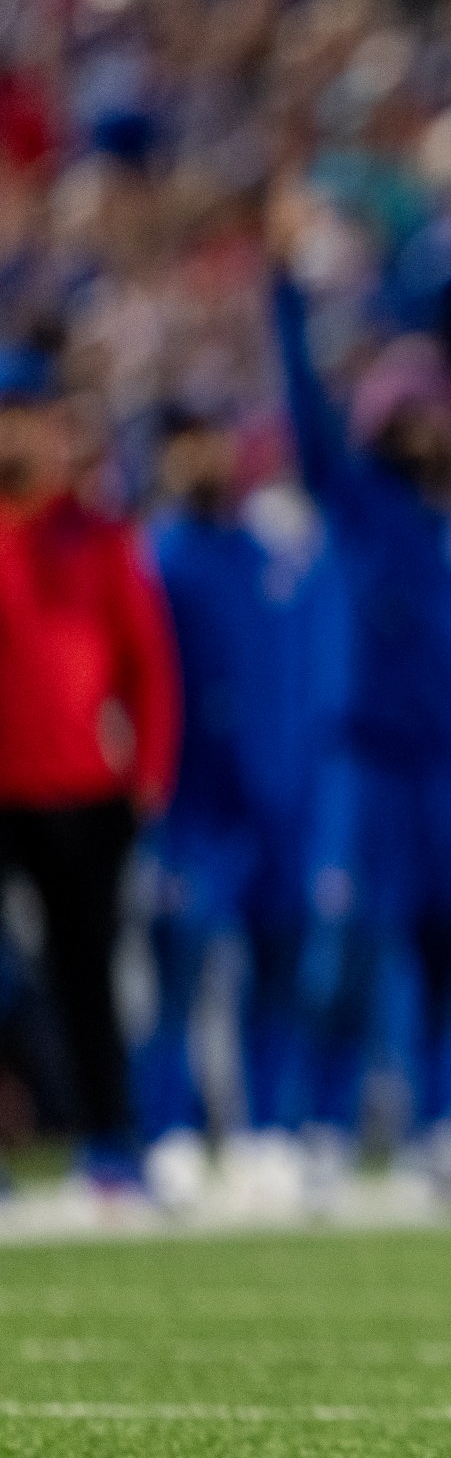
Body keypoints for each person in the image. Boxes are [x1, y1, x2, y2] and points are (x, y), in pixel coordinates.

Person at [267, 188, 451, 1197]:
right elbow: (305, 412)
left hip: (450, 763)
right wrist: (284, 289)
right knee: (349, 950)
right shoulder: (356, 504)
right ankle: (311, 1126)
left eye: (432, 413)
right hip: (367, 758)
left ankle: (440, 1117)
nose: (423, 428)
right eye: (404, 413)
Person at [139, 405, 345, 1213]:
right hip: (194, 806)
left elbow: (308, 691)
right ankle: (170, 1133)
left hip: (279, 807)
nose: (209, 460)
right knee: (181, 974)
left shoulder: (273, 559)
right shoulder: (160, 559)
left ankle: (265, 1131)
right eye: (191, 445)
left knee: (282, 974)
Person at [0, 348, 179, 1196]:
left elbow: (148, 661)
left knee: (89, 972)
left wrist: (148, 774)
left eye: (29, 415)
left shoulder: (95, 533)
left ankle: (112, 1142)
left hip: (82, 790)